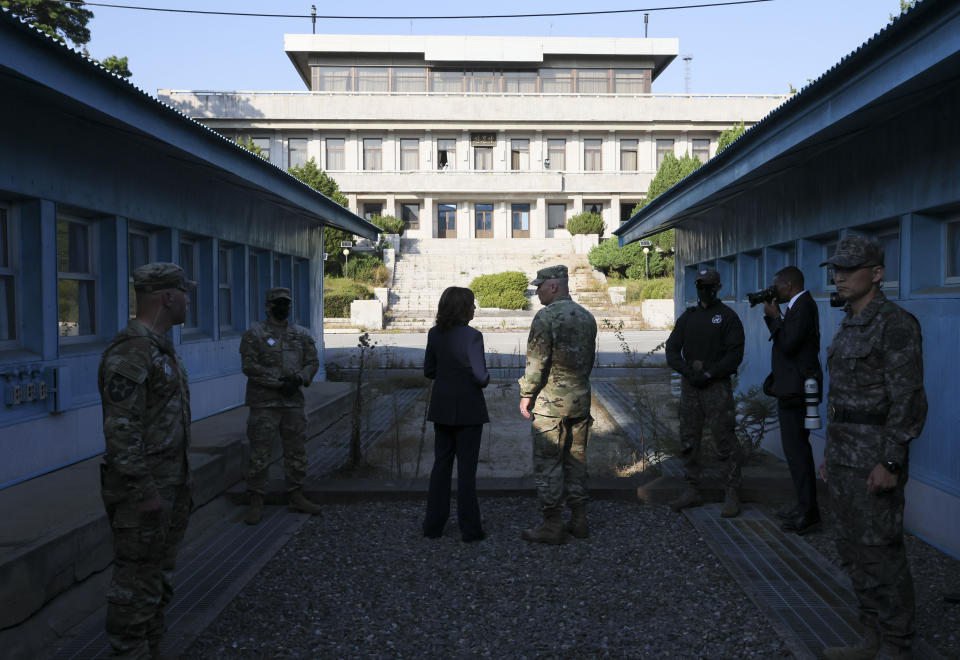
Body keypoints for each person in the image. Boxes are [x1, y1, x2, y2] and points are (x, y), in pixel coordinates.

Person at [817, 235, 927, 660]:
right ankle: (871, 636)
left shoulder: (895, 323)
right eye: (836, 270)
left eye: (849, 269)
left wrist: (890, 460)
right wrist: (830, 453)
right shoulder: (850, 322)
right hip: (844, 456)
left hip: (875, 458)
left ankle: (898, 644)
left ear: (877, 274)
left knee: (881, 552)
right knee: (851, 549)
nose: (839, 277)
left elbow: (909, 399)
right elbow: (844, 398)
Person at [98, 262, 195, 657]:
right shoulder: (133, 352)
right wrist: (143, 490)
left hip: (168, 485)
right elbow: (121, 430)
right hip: (144, 493)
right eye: (184, 292)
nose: (189, 300)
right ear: (166, 297)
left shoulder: (160, 348)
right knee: (135, 583)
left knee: (156, 579)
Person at [519, 265, 597, 544]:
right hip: (580, 400)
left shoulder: (546, 317)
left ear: (554, 286)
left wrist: (527, 393)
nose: (536, 291)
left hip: (550, 404)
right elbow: (588, 360)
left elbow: (537, 362)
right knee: (576, 462)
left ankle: (552, 524)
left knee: (548, 463)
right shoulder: (587, 317)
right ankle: (579, 520)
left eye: (539, 286)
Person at [665, 267, 745, 518]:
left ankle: (731, 492)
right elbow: (672, 349)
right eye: (700, 285)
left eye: (709, 286)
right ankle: (692, 489)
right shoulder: (688, 318)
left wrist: (711, 373)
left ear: (717, 287)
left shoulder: (728, 317)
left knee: (724, 440)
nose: (704, 290)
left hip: (716, 387)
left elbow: (735, 354)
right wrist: (688, 372)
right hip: (691, 387)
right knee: (689, 439)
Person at [240, 287, 322, 525]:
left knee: (296, 451)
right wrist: (278, 383)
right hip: (264, 404)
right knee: (260, 454)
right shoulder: (254, 335)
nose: (282, 307)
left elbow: (312, 361)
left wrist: (299, 379)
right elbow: (249, 367)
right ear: (268, 306)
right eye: (277, 303)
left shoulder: (301, 334)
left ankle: (296, 495)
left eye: (286, 304)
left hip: (292, 404)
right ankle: (256, 501)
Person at [422, 286, 490, 542]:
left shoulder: (434, 334)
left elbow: (429, 370)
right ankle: (470, 529)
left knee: (440, 467)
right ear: (463, 308)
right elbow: (481, 376)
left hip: (442, 407)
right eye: (472, 304)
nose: (474, 309)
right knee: (466, 472)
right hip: (469, 409)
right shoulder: (473, 336)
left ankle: (433, 526)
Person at [762, 266, 823, 535]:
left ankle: (809, 512)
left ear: (789, 285)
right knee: (795, 452)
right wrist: (774, 318)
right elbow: (786, 339)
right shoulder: (798, 306)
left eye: (777, 286)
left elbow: (788, 344)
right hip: (791, 387)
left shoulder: (804, 306)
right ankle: (804, 506)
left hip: (797, 389)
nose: (775, 291)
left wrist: (775, 318)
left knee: (797, 451)